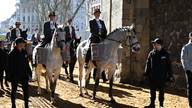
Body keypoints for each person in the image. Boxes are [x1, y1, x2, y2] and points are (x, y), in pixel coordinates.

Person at [144, 38, 173, 108]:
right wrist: (146, 74)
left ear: (159, 44)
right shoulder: (151, 53)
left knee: (161, 91)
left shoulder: (166, 54)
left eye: (155, 43)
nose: (153, 44)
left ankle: (161, 105)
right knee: (152, 91)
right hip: (153, 75)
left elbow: (169, 66)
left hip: (162, 76)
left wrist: (170, 76)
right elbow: (148, 64)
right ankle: (152, 104)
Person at [8, 37, 32, 108]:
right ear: (19, 44)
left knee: (26, 91)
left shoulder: (24, 52)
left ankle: (26, 106)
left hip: (24, 74)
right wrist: (12, 76)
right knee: (14, 90)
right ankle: (13, 105)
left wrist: (29, 72)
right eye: (23, 42)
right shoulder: (11, 54)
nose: (25, 44)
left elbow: (26, 63)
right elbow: (10, 66)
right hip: (15, 74)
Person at [181, 32, 192, 108]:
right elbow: (183, 59)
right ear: (189, 38)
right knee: (190, 89)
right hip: (190, 72)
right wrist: (187, 70)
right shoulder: (186, 47)